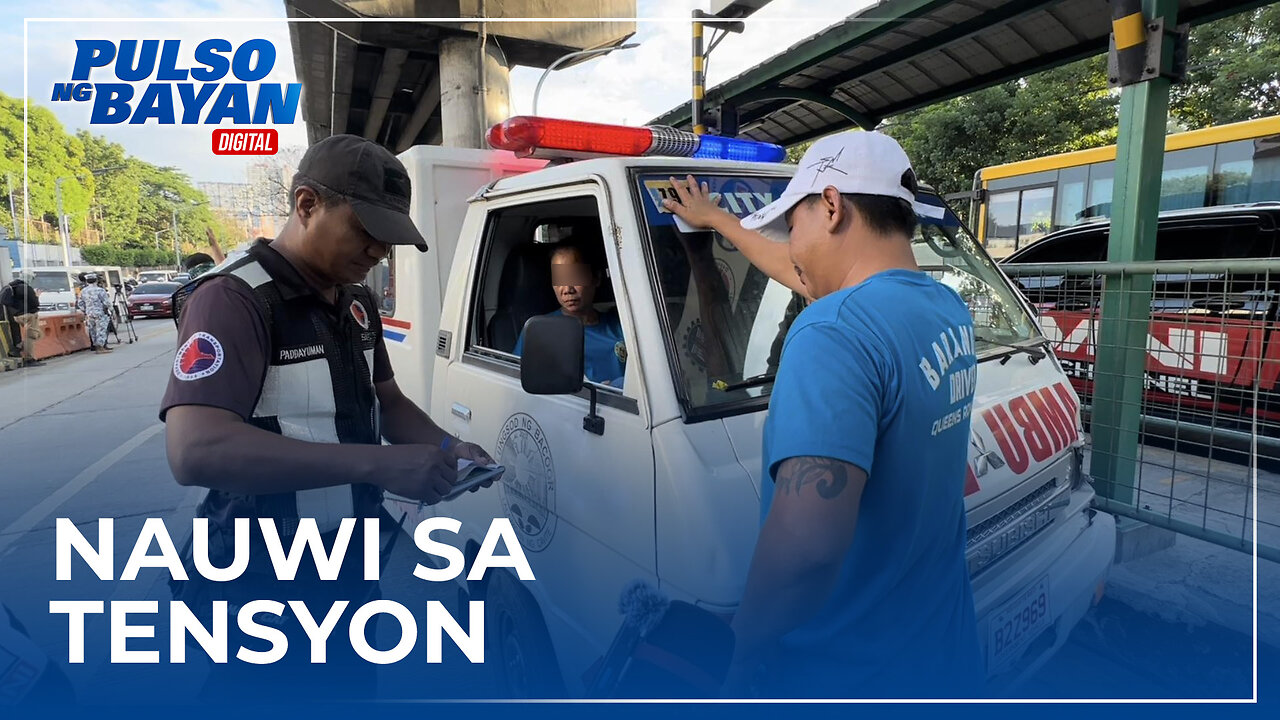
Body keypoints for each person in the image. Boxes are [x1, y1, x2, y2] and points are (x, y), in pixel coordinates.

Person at [159, 133, 500, 701]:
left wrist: (447, 450)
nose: (378, 252)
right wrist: (379, 467)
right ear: (306, 204)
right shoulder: (234, 299)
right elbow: (195, 451)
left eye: (388, 240)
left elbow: (386, 401)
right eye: (366, 232)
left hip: (345, 567)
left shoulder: (357, 300)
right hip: (257, 579)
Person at [664, 131, 983, 698]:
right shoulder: (944, 308)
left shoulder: (831, 332)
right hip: (941, 654)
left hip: (846, 674)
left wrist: (741, 651)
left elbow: (807, 546)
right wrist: (717, 221)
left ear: (832, 206)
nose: (792, 246)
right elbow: (809, 278)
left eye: (795, 225)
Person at [513, 241, 626, 388]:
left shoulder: (621, 326)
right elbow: (517, 380)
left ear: (596, 278)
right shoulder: (540, 332)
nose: (567, 289)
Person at [0, 278, 44, 367]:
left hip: (16, 316)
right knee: (31, 337)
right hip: (29, 315)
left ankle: (18, 347)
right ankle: (28, 359)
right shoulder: (26, 288)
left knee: (37, 334)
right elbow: (35, 303)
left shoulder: (11, 288)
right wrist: (37, 296)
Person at [76, 273, 112, 353]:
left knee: (92, 330)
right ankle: (101, 347)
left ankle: (96, 346)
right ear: (96, 280)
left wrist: (85, 310)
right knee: (101, 330)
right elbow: (106, 302)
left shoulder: (83, 291)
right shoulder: (100, 290)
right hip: (100, 313)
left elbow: (80, 303)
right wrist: (111, 310)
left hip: (89, 313)